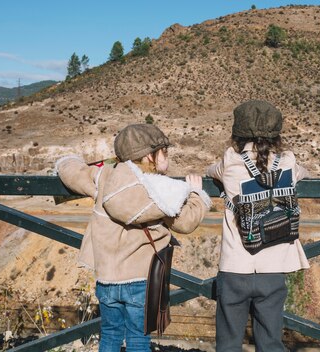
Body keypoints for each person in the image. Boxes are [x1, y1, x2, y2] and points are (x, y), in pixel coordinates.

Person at [55, 124, 211, 352]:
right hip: (141, 280)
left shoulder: (104, 175)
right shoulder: (160, 189)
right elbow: (186, 222)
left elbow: (71, 172)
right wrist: (198, 194)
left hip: (107, 279)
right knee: (138, 339)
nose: (167, 157)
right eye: (164, 152)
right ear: (150, 155)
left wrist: (67, 160)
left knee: (109, 335)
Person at [206, 100, 310, 352]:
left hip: (235, 269)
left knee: (228, 343)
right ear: (276, 135)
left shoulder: (230, 161)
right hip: (273, 270)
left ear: (237, 134)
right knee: (271, 343)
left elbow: (211, 171)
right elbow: (302, 172)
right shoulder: (287, 162)